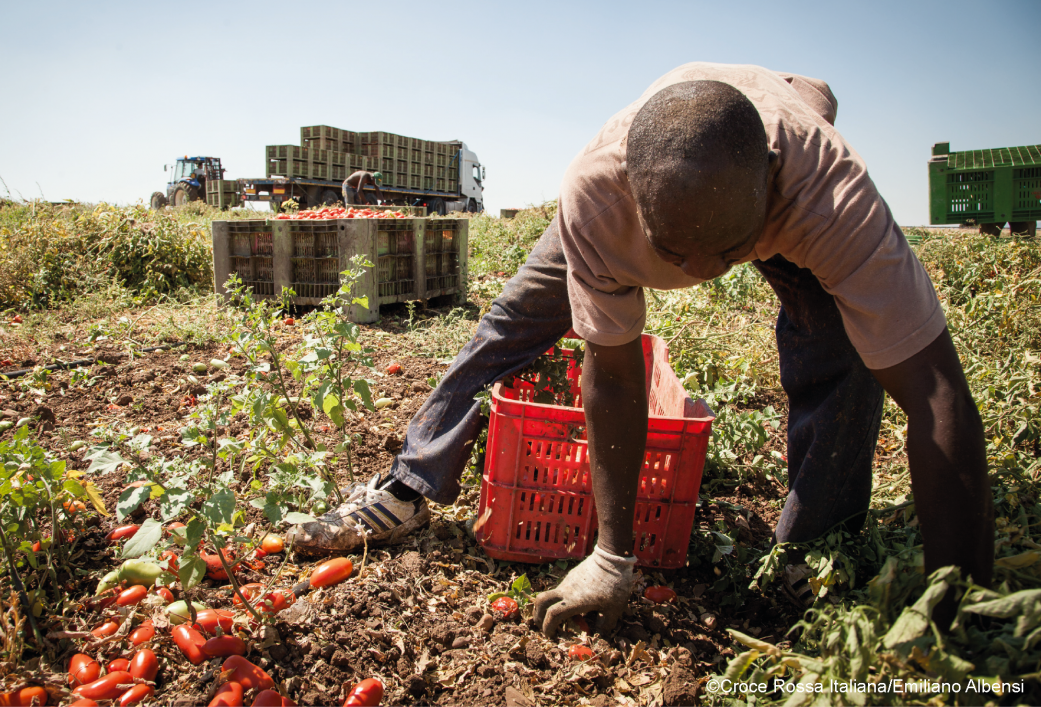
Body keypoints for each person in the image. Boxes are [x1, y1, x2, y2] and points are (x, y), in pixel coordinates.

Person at [289, 63, 993, 637]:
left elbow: (938, 397)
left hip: (779, 188)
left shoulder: (828, 195)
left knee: (840, 354)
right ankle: (412, 481)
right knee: (513, 319)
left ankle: (812, 552)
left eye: (727, 252)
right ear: (634, 196)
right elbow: (616, 376)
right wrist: (611, 555)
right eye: (673, 252)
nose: (702, 271)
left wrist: (957, 611)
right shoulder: (597, 194)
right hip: (668, 182)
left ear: (771, 183)